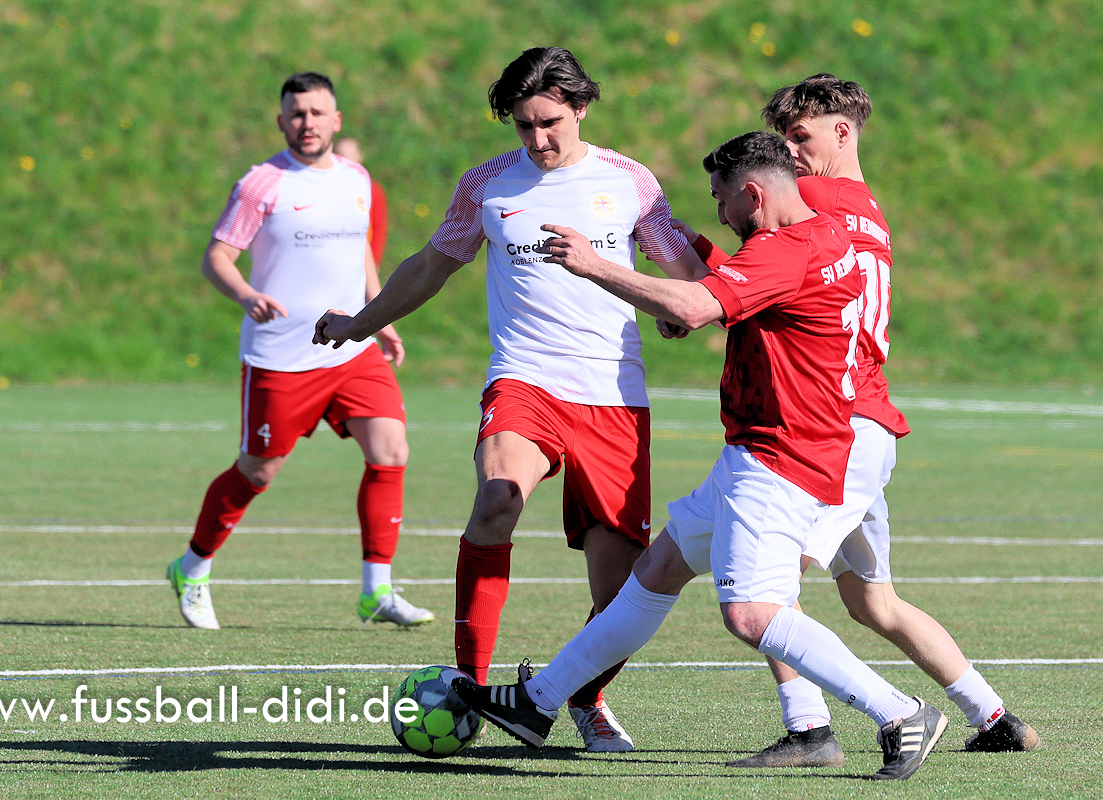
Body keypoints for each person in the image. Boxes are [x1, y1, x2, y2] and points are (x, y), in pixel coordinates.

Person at [453, 130, 948, 781]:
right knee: (655, 572)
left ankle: (900, 712)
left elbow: (695, 304)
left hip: (780, 456)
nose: (720, 213)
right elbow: (738, 294)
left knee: (751, 612)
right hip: (769, 448)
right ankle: (538, 702)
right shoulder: (822, 236)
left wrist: (594, 264)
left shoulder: (782, 250)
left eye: (722, 200)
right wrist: (692, 269)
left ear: (753, 194)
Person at [314, 47, 706, 751]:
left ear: (581, 107)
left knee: (623, 594)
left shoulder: (631, 183)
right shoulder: (487, 185)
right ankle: (467, 688)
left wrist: (681, 307)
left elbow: (685, 272)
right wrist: (358, 325)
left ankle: (584, 697)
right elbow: (430, 267)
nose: (538, 139)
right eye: (524, 125)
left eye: (550, 122)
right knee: (497, 500)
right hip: (524, 379)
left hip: (614, 395)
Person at [664, 74, 1035, 766]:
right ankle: (993, 715)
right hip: (866, 419)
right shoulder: (866, 206)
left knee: (768, 588)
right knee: (874, 603)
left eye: (798, 137)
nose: (788, 153)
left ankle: (811, 729)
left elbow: (752, 282)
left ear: (843, 131)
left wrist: (683, 254)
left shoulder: (812, 200)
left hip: (831, 421)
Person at [166, 72, 434, 631]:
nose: (306, 122)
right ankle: (192, 568)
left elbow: (360, 252)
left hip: (350, 348)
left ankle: (377, 591)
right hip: (281, 358)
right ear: (281, 121)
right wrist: (247, 295)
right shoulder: (261, 184)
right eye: (296, 113)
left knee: (390, 450)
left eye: (316, 112)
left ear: (336, 120)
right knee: (259, 470)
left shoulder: (357, 179)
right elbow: (216, 257)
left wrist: (378, 317)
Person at [333, 138, 389, 268]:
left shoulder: (372, 190)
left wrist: (374, 263)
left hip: (361, 261)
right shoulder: (327, 189)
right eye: (341, 155)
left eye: (351, 154)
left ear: (360, 155)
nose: (347, 160)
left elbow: (379, 228)